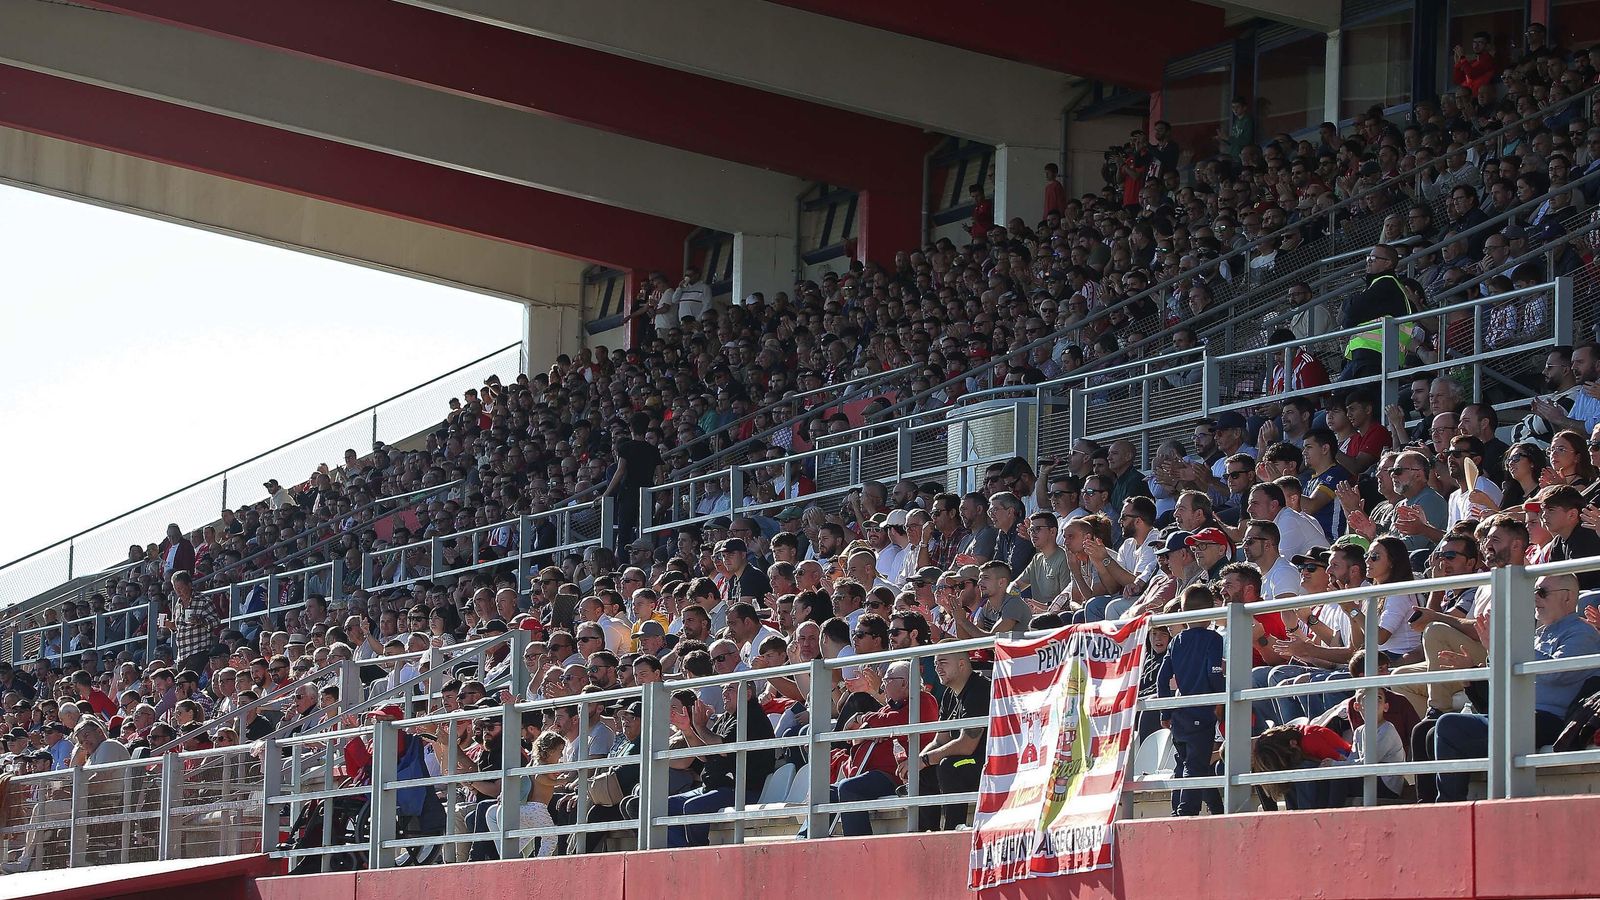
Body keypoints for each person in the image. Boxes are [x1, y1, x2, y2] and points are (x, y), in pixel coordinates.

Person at [664, 679, 774, 847]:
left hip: (742, 789)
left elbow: (724, 748)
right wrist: (687, 729)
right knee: (664, 807)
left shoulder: (752, 717)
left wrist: (700, 726)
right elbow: (704, 756)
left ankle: (695, 855)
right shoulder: (727, 718)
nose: (724, 693)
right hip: (715, 787)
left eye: (730, 688)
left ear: (747, 694)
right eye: (723, 689)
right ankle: (681, 851)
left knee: (693, 808)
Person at [1157, 583, 1224, 816]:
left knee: (1183, 763)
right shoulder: (1213, 639)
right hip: (1200, 712)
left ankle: (1199, 809)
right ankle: (1187, 812)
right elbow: (1213, 672)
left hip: (1179, 712)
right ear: (1210, 611)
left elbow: (1161, 678)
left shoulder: (1176, 641)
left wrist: (1165, 712)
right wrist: (1223, 698)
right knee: (1195, 765)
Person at [918, 646, 989, 831]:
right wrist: (917, 761)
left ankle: (953, 828)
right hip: (968, 760)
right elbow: (939, 740)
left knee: (949, 766)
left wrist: (926, 759)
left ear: (962, 664)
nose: (937, 668)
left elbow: (967, 745)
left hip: (986, 762)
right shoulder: (949, 693)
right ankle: (928, 832)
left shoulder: (980, 689)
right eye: (935, 664)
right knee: (923, 770)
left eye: (943, 662)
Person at [1337, 243, 1411, 381]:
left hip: (1375, 357)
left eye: (1374, 258)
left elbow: (1352, 311)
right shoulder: (1377, 285)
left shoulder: (1387, 283)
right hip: (1365, 356)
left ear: (1388, 264)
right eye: (1368, 258)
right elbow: (1348, 320)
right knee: (1340, 399)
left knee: (1360, 399)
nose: (1369, 261)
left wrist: (1348, 301)